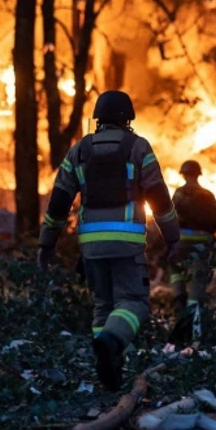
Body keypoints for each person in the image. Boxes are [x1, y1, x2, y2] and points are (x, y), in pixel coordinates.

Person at [37, 90, 179, 391]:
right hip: (126, 242)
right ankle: (111, 343)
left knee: (103, 306)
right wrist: (173, 238)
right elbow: (159, 197)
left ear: (97, 118)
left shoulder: (79, 150)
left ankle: (110, 370)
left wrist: (46, 244)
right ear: (128, 119)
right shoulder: (138, 147)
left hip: (91, 244)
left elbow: (59, 201)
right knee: (135, 303)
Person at [168, 160, 216, 344]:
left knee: (175, 271)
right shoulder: (208, 195)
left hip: (180, 242)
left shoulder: (179, 194)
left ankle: (179, 298)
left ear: (183, 174)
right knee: (197, 284)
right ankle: (194, 330)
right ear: (198, 174)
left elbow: (170, 217)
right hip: (201, 243)